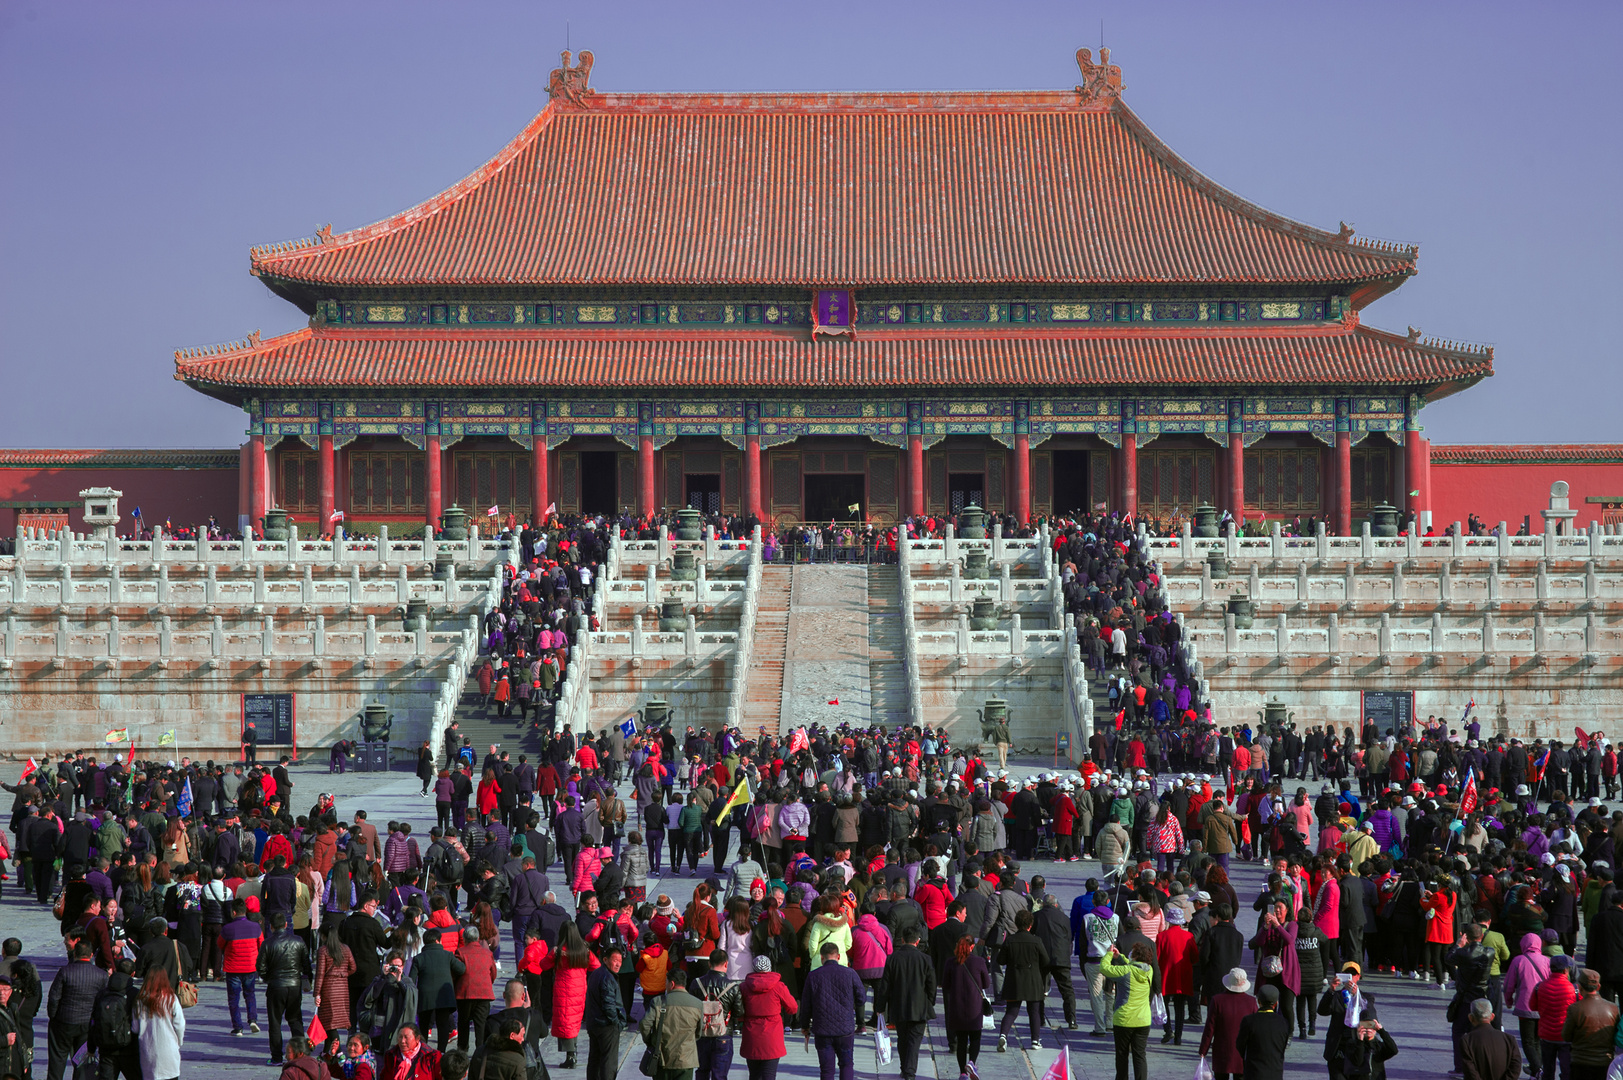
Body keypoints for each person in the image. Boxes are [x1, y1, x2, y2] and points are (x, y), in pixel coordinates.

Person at [800, 942, 866, 1080]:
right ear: (839, 956)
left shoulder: (813, 976)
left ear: (822, 958)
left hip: (822, 1029)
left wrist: (805, 1026)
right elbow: (862, 997)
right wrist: (851, 1006)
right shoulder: (850, 973)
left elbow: (806, 1004)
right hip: (845, 1028)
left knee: (826, 1070)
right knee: (846, 1064)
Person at [46, 938, 109, 1080]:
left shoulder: (65, 971)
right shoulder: (101, 975)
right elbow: (103, 1001)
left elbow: (54, 997)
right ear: (91, 955)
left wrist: (53, 1016)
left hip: (64, 1021)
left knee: (57, 1060)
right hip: (87, 1023)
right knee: (82, 1062)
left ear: (75, 954)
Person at [543, 922, 601, 1068]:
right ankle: (573, 1052)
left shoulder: (558, 951)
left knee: (565, 1021)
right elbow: (596, 966)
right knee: (574, 1021)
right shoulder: (584, 950)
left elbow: (543, 965)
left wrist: (553, 955)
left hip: (563, 989)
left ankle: (570, 1056)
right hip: (579, 989)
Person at [883, 926, 937, 1080]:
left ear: (902, 940)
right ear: (918, 941)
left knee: (902, 1038)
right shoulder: (925, 959)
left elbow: (885, 985)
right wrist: (930, 1001)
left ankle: (904, 1067)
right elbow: (931, 985)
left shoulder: (892, 958)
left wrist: (880, 1007)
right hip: (919, 1007)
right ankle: (909, 1072)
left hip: (898, 1005)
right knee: (914, 1041)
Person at [260, 910, 312, 1066]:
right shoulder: (298, 941)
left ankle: (276, 1056)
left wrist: (270, 978)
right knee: (296, 1020)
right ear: (286, 924)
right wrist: (305, 979)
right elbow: (307, 965)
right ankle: (301, 1054)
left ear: (271, 927)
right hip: (294, 985)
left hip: (276, 986)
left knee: (275, 1022)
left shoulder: (268, 943)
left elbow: (260, 967)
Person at [409, 917, 467, 1053]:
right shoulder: (447, 955)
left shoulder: (419, 958)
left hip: (425, 997)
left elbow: (411, 978)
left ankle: (422, 1050)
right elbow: (461, 969)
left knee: (423, 1026)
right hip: (444, 996)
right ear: (438, 940)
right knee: (443, 1025)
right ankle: (441, 1051)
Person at [1099, 942, 1156, 1080]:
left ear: (1135, 956)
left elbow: (1104, 968)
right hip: (1143, 1020)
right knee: (1140, 1055)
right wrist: (1120, 957)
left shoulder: (1126, 972)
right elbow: (1132, 965)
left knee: (1122, 1055)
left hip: (1124, 1020)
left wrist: (1109, 954)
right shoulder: (1149, 970)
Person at [996, 909, 1050, 1052]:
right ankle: (1035, 1040)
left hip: (1014, 980)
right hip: (1033, 981)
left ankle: (1003, 1035)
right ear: (1030, 925)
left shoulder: (1010, 940)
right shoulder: (1036, 941)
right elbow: (1046, 961)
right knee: (1034, 1011)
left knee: (1011, 1012)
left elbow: (1000, 960)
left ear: (1016, 923)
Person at [739, 955, 798, 1080]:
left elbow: (738, 1012)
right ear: (770, 968)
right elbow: (793, 1008)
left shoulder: (744, 987)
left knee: (754, 1075)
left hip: (751, 1035)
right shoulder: (778, 986)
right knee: (769, 1075)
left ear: (753, 968)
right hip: (772, 1035)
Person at [640, 968, 705, 1080]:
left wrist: (651, 1041)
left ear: (672, 983)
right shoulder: (697, 1004)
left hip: (662, 1059)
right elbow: (699, 1032)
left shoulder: (658, 1001)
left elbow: (644, 1024)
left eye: (666, 982)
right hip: (686, 1060)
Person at [1200, 967, 1258, 1080]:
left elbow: (1210, 1028)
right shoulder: (1251, 1002)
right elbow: (1256, 1028)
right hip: (1243, 1052)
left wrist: (1203, 1050)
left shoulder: (1217, 1000)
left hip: (1222, 1051)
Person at [1561, 968, 1620, 1080]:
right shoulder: (1613, 1008)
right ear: (1598, 987)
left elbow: (1566, 1036)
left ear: (1580, 987)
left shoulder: (1575, 1008)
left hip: (1580, 1062)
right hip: (1604, 1062)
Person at [133, 968, 186, 1080]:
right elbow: (180, 1025)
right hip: (169, 1048)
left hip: (148, 1049)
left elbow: (135, 1028)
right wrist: (179, 1041)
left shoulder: (140, 1000)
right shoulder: (171, 999)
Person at [584, 947, 628, 1080]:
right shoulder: (607, 978)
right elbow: (609, 1005)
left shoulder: (596, 974)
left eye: (620, 961)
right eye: (615, 960)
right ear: (605, 959)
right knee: (608, 1062)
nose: (618, 964)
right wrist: (617, 1023)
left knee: (594, 1060)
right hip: (606, 1026)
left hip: (594, 1024)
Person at [454, 927, 499, 1054]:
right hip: (483, 992)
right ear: (478, 938)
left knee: (463, 1023)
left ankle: (462, 1050)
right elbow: (493, 973)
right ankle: (481, 1051)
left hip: (465, 993)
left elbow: (456, 973)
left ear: (465, 939)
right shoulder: (487, 953)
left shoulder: (460, 952)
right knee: (481, 1025)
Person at [1233, 983, 1291, 1080]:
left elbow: (1240, 1045)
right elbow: (1283, 1045)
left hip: (1254, 1071)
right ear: (1276, 1003)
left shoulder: (1249, 1020)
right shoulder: (1283, 1022)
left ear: (1259, 1001)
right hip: (1275, 1071)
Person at [1458, 999, 1523, 1080]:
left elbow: (1470, 1071)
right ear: (1492, 1016)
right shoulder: (1509, 1039)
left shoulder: (1467, 1041)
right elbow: (1516, 1066)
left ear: (1470, 1018)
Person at [1324, 1014, 1398, 1080]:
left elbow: (1394, 1050)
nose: (1368, 1029)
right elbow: (1358, 1062)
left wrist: (1382, 1031)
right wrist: (1360, 1041)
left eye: (1371, 1026)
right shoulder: (1352, 1045)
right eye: (1365, 1026)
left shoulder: (1378, 1046)